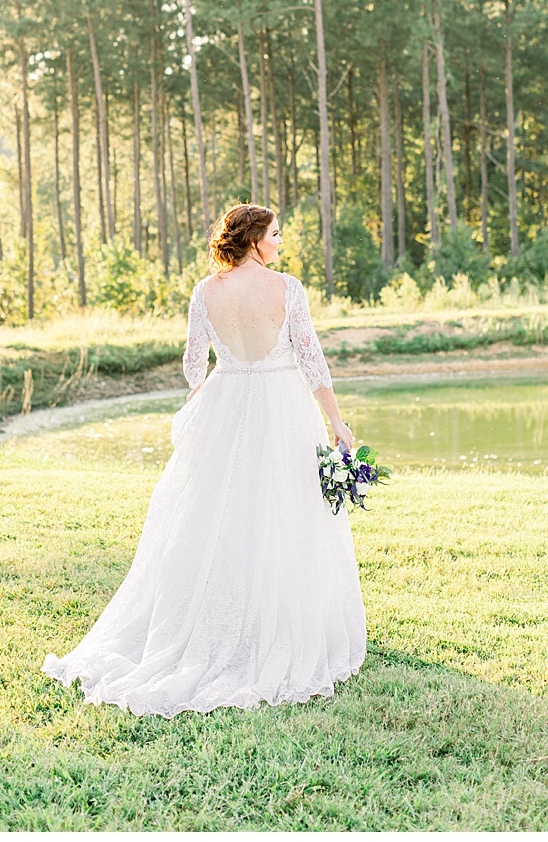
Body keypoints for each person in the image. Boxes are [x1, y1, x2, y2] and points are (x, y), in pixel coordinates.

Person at [42, 202, 366, 716]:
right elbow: (310, 360)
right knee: (283, 512)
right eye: (275, 235)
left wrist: (207, 400)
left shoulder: (204, 292)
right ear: (255, 240)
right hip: (283, 406)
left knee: (219, 517)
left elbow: (196, 367)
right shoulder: (287, 288)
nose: (281, 242)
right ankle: (273, 626)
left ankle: (218, 622)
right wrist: (336, 421)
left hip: (227, 403)